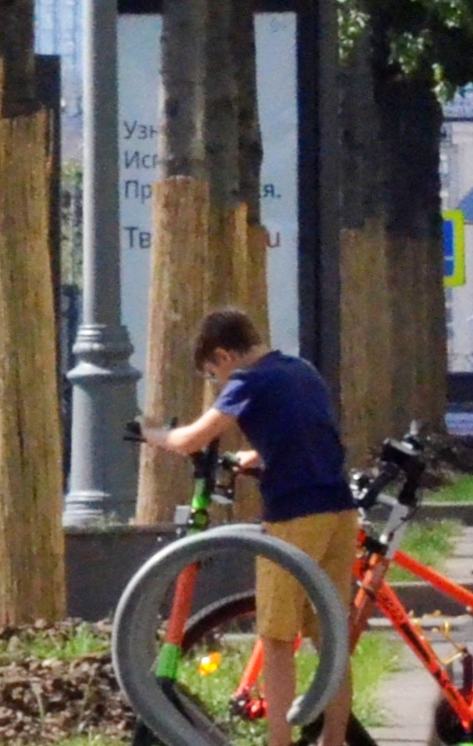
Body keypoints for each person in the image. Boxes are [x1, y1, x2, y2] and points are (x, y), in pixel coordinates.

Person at [145, 306, 359, 724]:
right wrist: (257, 455)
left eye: (212, 373)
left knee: (276, 635)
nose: (217, 382)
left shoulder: (248, 379)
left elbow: (192, 439)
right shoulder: (301, 371)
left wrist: (150, 433)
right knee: (331, 639)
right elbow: (305, 432)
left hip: (294, 516)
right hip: (339, 509)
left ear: (224, 356)